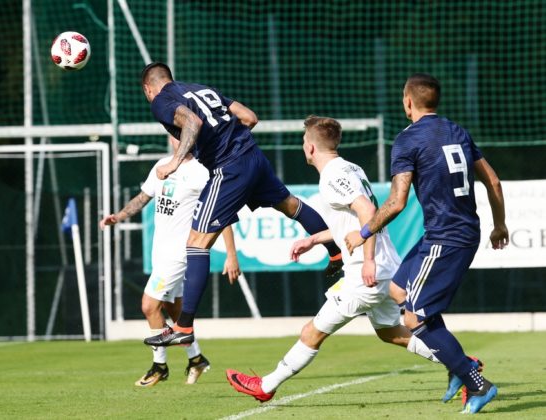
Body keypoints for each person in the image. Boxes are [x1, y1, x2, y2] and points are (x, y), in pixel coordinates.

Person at [226, 115, 443, 402]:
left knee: (312, 332)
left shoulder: (332, 175)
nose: (303, 147)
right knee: (391, 333)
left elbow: (367, 212)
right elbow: (353, 222)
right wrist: (313, 239)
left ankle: (265, 386)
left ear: (311, 147)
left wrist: (368, 260)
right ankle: (463, 364)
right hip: (384, 267)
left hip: (365, 273)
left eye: (304, 141)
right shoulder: (351, 168)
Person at [139, 62, 343, 347]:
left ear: (148, 89)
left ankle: (184, 327)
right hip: (252, 156)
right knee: (290, 205)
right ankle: (336, 253)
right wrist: (230, 140)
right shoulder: (202, 89)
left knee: (196, 243)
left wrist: (174, 162)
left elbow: (193, 123)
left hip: (228, 168)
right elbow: (249, 117)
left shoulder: (161, 101)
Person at [345, 74, 508, 414]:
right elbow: (493, 180)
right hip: (447, 233)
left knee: (414, 318)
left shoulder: (408, 140)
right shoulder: (458, 131)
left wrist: (363, 233)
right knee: (398, 291)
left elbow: (397, 202)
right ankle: (457, 366)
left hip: (447, 238)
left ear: (408, 102)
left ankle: (476, 381)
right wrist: (500, 224)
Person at [100, 136, 241, 387]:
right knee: (173, 307)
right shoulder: (162, 165)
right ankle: (196, 359)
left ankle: (159, 366)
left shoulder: (202, 171)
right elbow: (143, 197)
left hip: (180, 253)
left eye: (182, 134)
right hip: (160, 251)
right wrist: (118, 216)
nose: (177, 139)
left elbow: (222, 213)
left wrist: (231, 254)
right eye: (174, 134)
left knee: (149, 306)